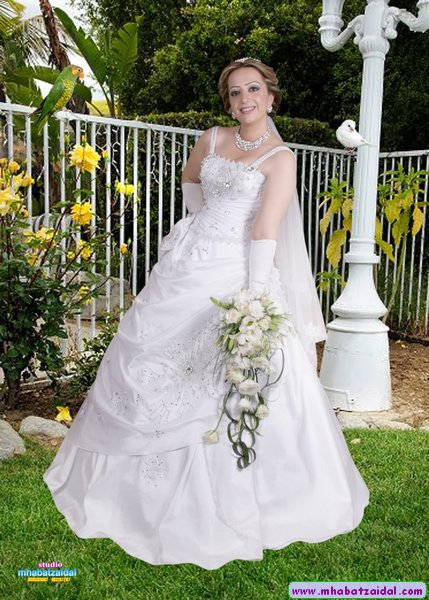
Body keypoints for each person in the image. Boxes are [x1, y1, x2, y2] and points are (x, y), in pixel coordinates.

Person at [43, 58, 370, 570]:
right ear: (228, 102)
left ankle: (249, 491)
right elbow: (191, 180)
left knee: (224, 374)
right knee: (153, 356)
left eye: (253, 89)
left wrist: (252, 302)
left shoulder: (281, 159)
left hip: (238, 271)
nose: (245, 99)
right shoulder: (212, 138)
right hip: (188, 261)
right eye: (235, 92)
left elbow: (264, 229)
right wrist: (199, 227)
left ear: (271, 97)